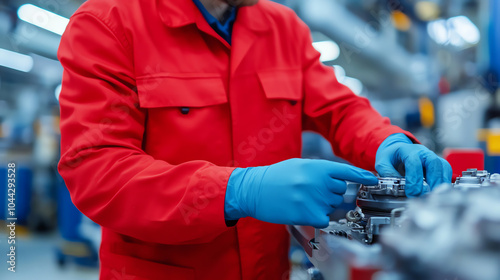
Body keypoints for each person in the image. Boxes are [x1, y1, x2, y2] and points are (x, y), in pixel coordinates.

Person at [57, 0, 452, 279]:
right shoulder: (108, 23)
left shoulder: (282, 28)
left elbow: (339, 109)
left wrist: (387, 141)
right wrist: (237, 191)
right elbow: (98, 171)